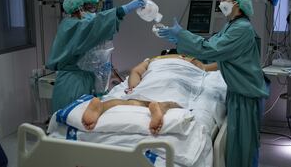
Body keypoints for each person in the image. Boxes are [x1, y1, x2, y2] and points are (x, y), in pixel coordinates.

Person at [158, 0, 269, 167]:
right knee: (239, 146)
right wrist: (179, 41)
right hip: (238, 92)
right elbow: (210, 46)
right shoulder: (232, 25)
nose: (221, 1)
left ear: (238, 3)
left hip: (245, 95)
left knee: (243, 148)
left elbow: (211, 49)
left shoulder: (241, 29)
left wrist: (182, 35)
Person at [46, 0, 145, 112]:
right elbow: (94, 26)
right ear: (79, 9)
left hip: (84, 80)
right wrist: (122, 11)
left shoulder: (79, 25)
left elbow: (94, 39)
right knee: (72, 121)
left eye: (94, 8)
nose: (94, 12)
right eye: (90, 8)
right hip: (72, 85)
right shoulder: (71, 26)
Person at [81, 53, 217, 135]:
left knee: (133, 100)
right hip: (178, 77)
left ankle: (103, 105)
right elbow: (209, 70)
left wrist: (134, 87)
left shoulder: (153, 59)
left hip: (153, 77)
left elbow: (135, 71)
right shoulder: (191, 60)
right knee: (172, 101)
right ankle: (160, 107)